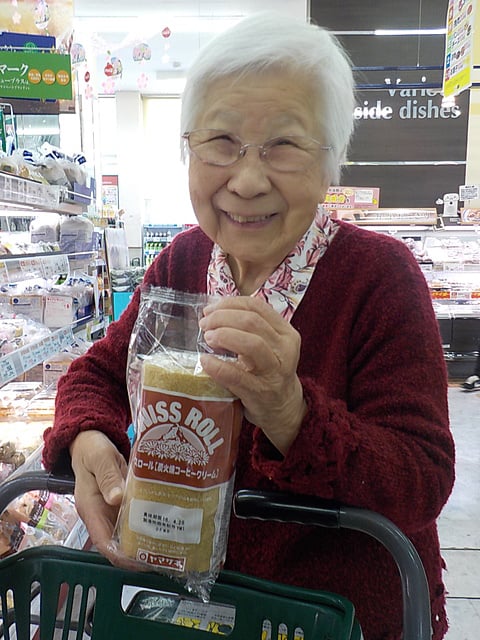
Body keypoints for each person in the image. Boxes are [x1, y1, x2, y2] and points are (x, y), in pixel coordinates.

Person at [42, 12, 455, 640]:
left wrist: (290, 413)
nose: (248, 178)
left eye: (284, 146)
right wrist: (89, 441)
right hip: (179, 605)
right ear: (190, 149)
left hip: (328, 615)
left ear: (329, 164)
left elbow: (421, 478)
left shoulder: (378, 278)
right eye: (221, 142)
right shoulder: (184, 259)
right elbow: (96, 371)